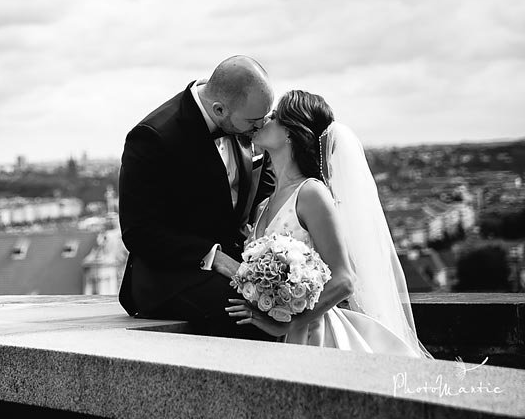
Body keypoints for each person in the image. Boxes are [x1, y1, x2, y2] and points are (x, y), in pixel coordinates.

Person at [225, 90, 432, 357]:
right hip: (270, 341)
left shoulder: (311, 193)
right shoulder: (264, 203)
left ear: (290, 132)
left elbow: (345, 279)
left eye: (274, 116)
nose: (264, 119)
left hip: (314, 338)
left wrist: (288, 323)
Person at [118, 55, 277, 340]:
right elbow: (139, 232)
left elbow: (263, 187)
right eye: (254, 122)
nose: (260, 128)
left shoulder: (240, 118)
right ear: (219, 109)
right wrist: (215, 258)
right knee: (255, 313)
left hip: (236, 262)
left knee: (282, 296)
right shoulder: (153, 137)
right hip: (169, 276)